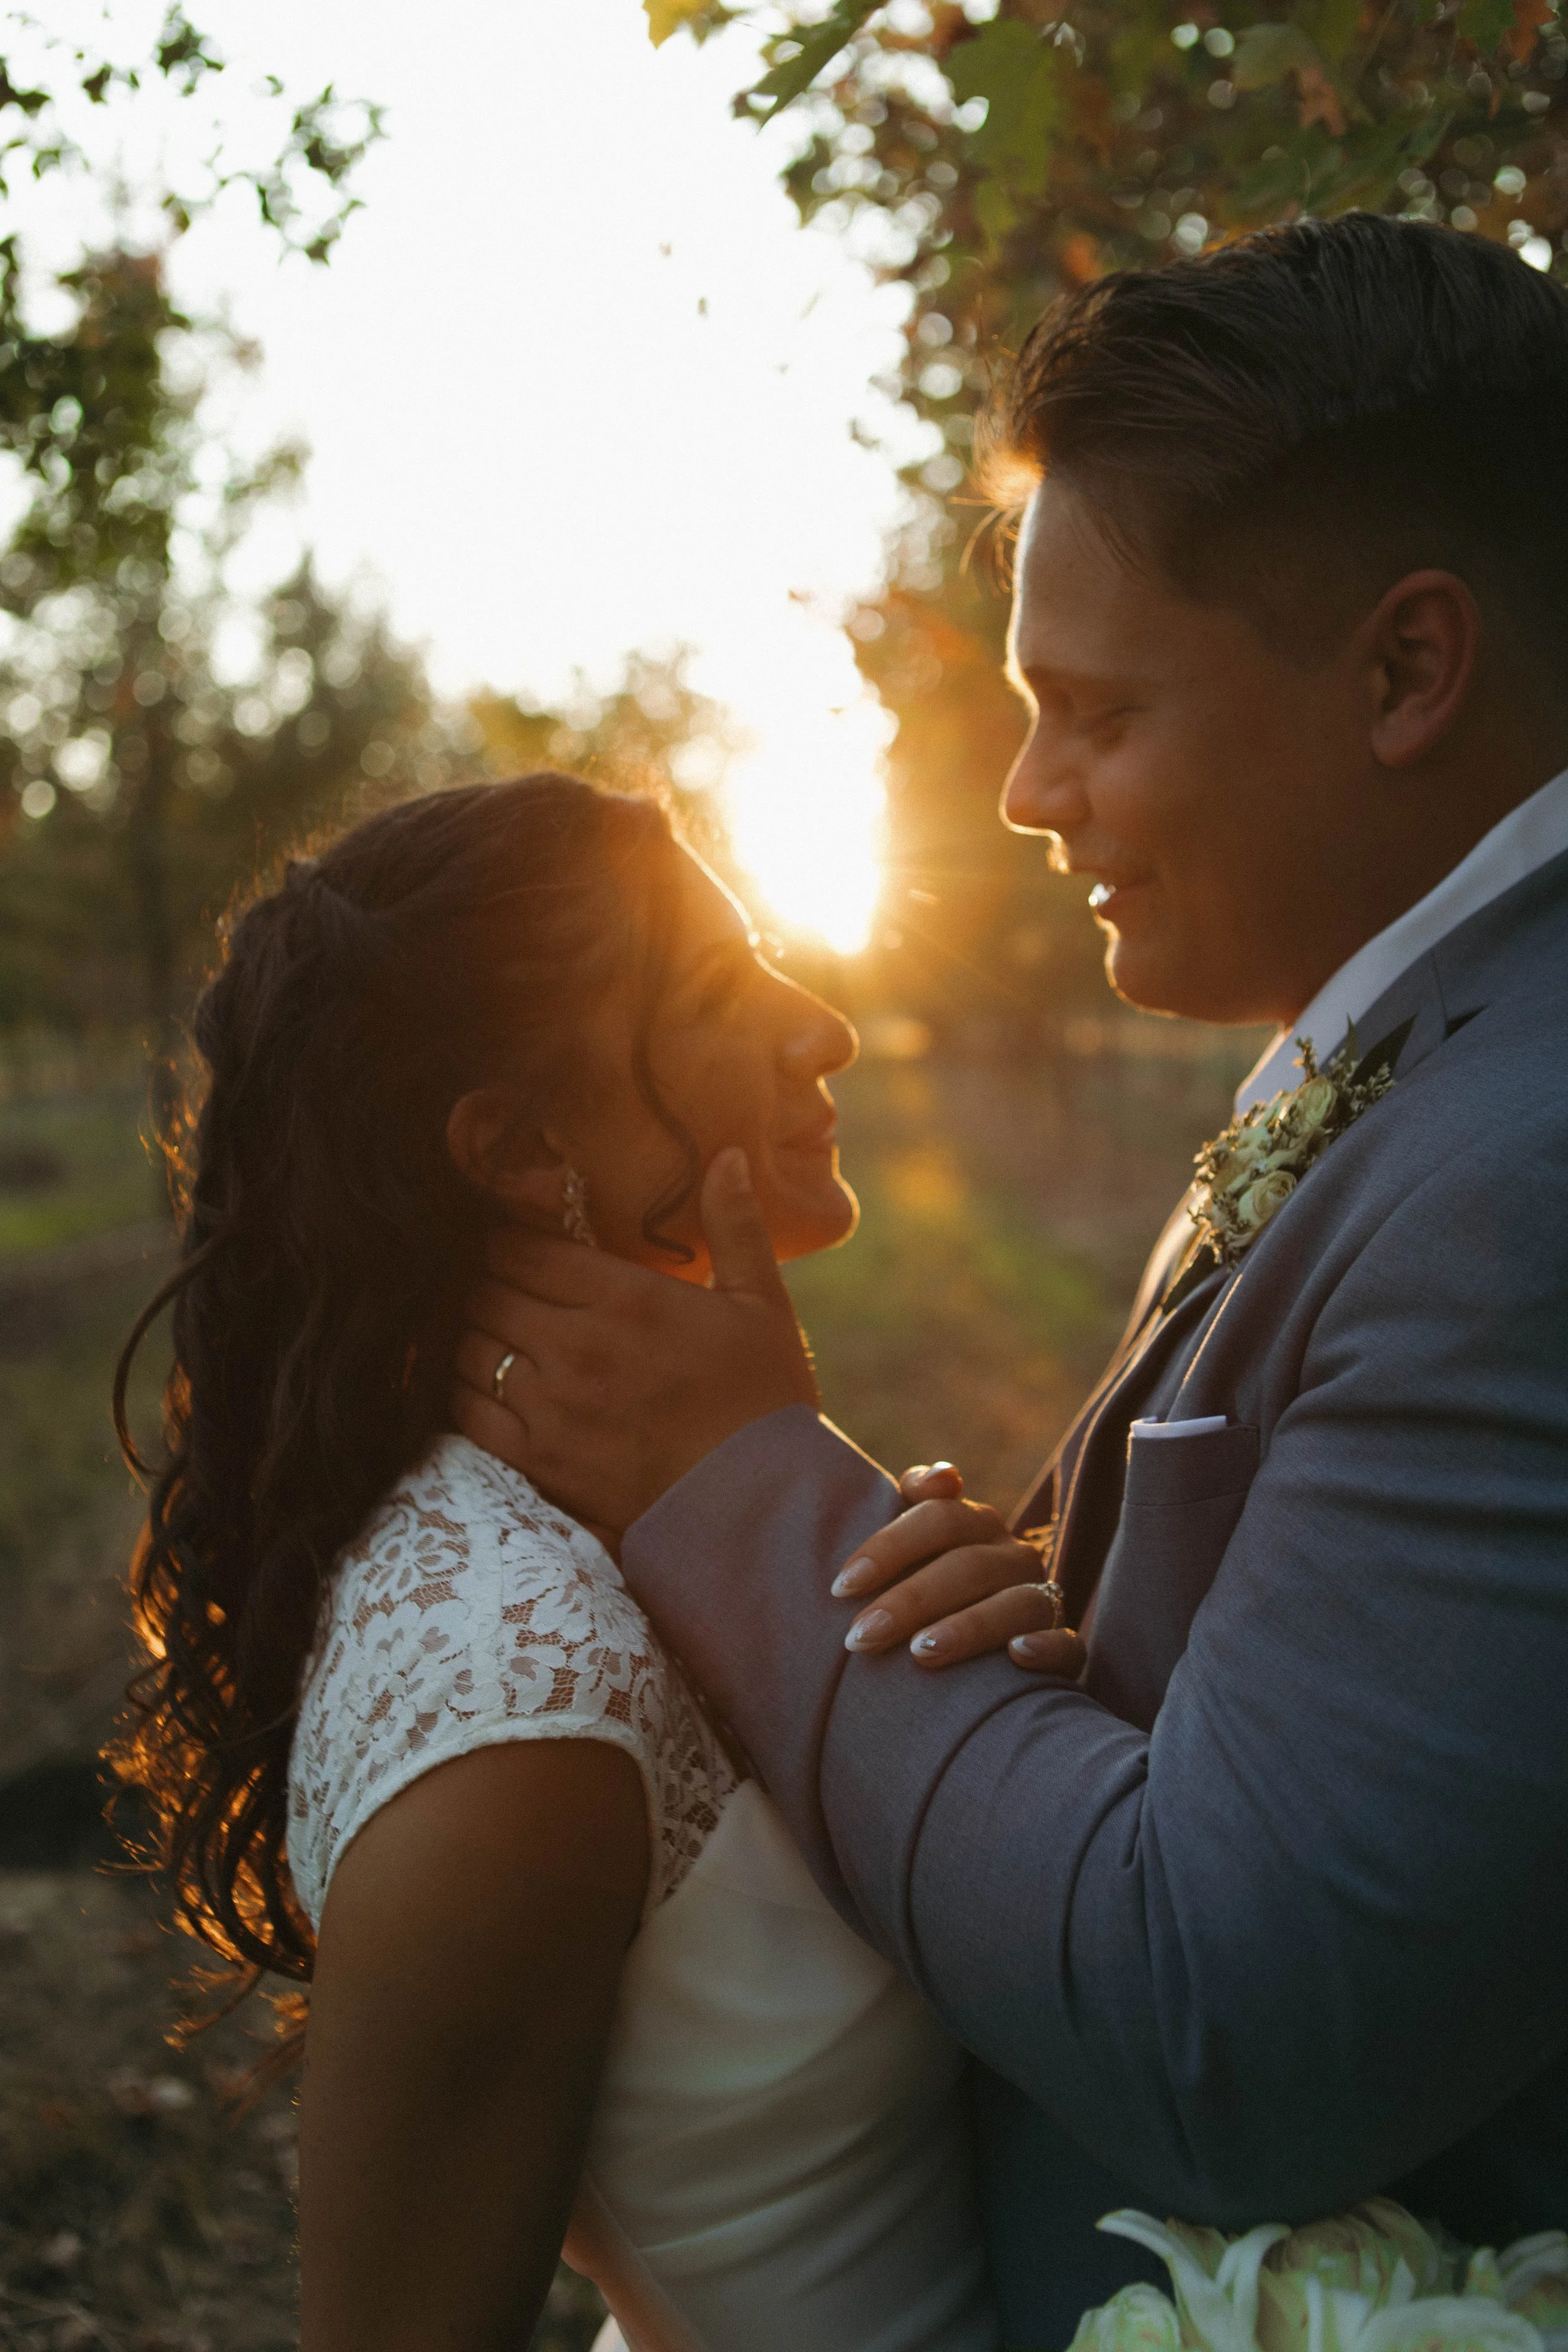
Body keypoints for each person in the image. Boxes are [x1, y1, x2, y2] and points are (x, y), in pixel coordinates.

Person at [455, 215, 1568, 2352]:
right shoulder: (1416, 1067)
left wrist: (745, 1490)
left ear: (1408, 669)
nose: (1027, 798)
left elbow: (1235, 2029)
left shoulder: (1522, 1180)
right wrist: (1039, 1642)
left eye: (1097, 714)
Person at [112, 776, 1015, 2352]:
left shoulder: (674, 1486)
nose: (829, 1031)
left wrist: (1002, 1659)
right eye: (728, 996)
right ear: (524, 1149)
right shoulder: (517, 1709)